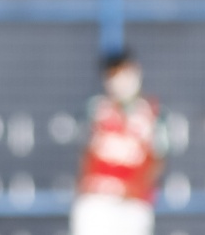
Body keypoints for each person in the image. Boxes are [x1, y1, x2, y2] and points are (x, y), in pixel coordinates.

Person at [71, 49, 168, 235]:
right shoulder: (96, 110)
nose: (120, 80)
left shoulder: (153, 114)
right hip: (97, 201)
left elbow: (159, 159)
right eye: (113, 75)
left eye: (124, 72)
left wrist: (138, 189)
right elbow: (85, 153)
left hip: (133, 203)